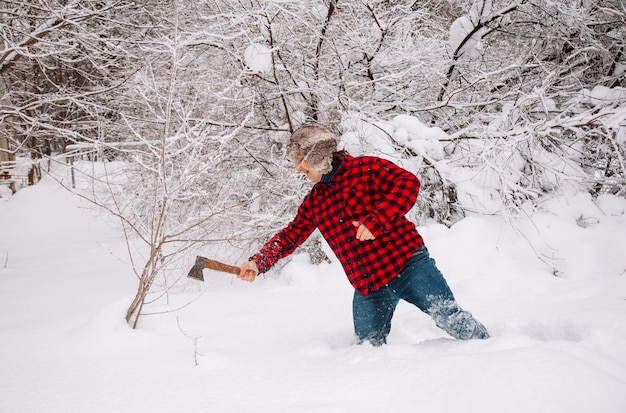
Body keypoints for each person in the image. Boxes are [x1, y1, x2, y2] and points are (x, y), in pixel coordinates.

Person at [238, 123, 490, 346]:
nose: (298, 169)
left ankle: (493, 351)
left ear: (318, 156)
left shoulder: (365, 169)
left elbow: (408, 183)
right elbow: (291, 235)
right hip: (369, 285)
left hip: (409, 265)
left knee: (451, 319)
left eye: (301, 160)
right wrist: (259, 262)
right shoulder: (315, 201)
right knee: (367, 349)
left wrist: (376, 220)